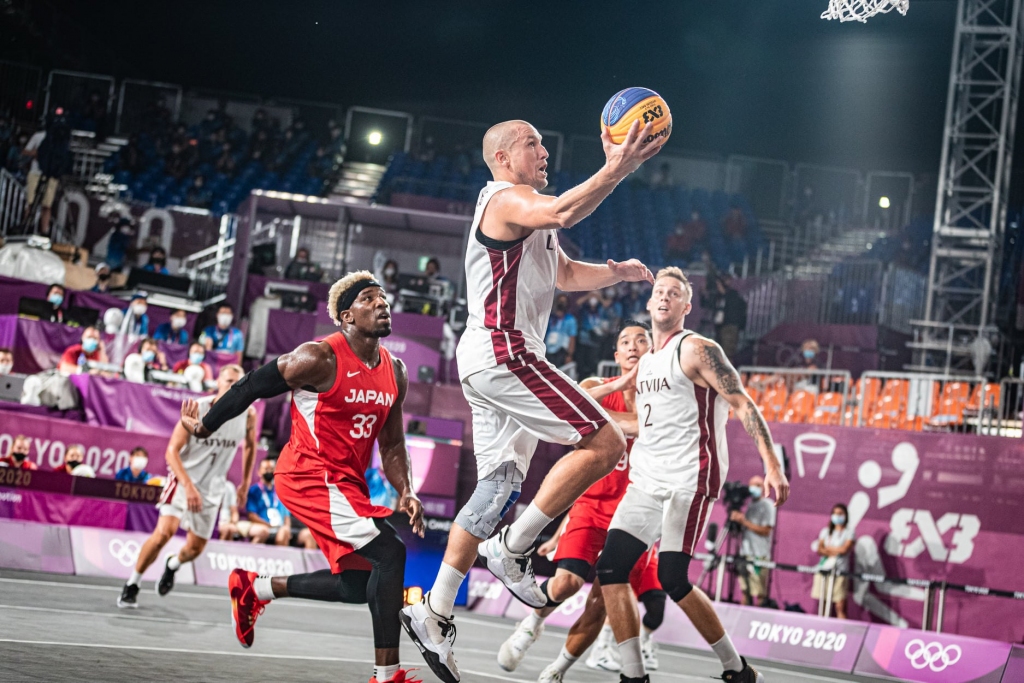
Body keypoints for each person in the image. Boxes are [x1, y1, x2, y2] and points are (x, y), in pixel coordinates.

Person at [401, 117, 663, 683]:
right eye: (531, 143)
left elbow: (564, 272)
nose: (544, 150)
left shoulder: (530, 216)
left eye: (544, 142)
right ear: (501, 156)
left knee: (497, 485)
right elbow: (565, 210)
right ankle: (513, 548)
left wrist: (614, 274)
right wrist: (619, 167)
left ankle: (434, 609)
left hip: (490, 359)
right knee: (606, 439)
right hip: (506, 351)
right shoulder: (502, 199)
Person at [177, 270, 425, 683]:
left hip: (346, 482)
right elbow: (251, 386)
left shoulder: (394, 371)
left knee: (356, 583)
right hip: (307, 474)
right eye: (369, 298)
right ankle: (387, 677)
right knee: (390, 552)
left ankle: (255, 589)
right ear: (346, 316)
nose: (382, 304)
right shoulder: (318, 357)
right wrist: (207, 424)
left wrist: (408, 491)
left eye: (383, 298)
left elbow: (394, 444)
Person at [595, 266, 790, 683]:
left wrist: (771, 463)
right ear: (648, 303)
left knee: (673, 577)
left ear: (686, 306)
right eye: (659, 291)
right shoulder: (645, 364)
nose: (664, 297)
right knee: (610, 568)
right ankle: (633, 675)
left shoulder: (698, 349)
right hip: (646, 480)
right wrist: (592, 416)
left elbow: (741, 404)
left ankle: (736, 669)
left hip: (690, 478)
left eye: (674, 293)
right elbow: (638, 425)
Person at [497, 323, 667, 679]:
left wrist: (625, 423)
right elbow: (575, 411)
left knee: (602, 602)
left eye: (642, 340)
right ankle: (531, 624)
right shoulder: (595, 388)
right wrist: (633, 421)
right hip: (590, 506)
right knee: (566, 584)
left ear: (655, 352)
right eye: (625, 342)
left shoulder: (665, 400)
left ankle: (557, 670)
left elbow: (652, 429)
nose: (633, 346)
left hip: (633, 515)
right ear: (617, 356)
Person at [117, 364, 257, 609]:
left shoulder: (248, 414)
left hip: (212, 489)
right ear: (218, 382)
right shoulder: (198, 409)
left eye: (237, 382)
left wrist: (245, 482)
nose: (231, 386)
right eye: (228, 381)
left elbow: (251, 447)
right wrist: (189, 486)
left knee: (194, 549)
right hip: (183, 480)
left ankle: (173, 565)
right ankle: (132, 584)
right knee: (164, 533)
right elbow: (171, 452)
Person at [730, 474, 776, 607]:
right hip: (746, 553)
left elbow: (766, 530)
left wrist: (743, 521)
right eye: (752, 485)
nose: (755, 488)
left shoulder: (768, 505)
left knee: (760, 593)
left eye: (758, 485)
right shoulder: (749, 504)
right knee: (745, 591)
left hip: (759, 555)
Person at [812, 503, 854, 620]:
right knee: (823, 602)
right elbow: (820, 549)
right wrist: (835, 550)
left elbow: (844, 549)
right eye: (835, 513)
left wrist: (829, 549)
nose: (837, 516)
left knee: (840, 606)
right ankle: (822, 629)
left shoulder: (849, 532)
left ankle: (843, 634)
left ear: (846, 516)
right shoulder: (825, 531)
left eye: (840, 514)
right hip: (824, 570)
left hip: (840, 572)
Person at [237, 458, 292, 546]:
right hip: (263, 526)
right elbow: (252, 516)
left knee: (284, 531)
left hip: (279, 528)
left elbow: (286, 516)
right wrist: (269, 525)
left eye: (271, 469)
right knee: (263, 531)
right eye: (266, 469)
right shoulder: (254, 491)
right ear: (259, 472)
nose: (269, 471)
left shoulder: (281, 490)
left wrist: (287, 527)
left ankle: (280, 558)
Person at [544, 294, 577, 368]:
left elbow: (572, 338)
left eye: (564, 302)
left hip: (562, 350)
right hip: (548, 349)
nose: (561, 304)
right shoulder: (550, 318)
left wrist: (570, 354)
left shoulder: (570, 319)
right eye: (560, 301)